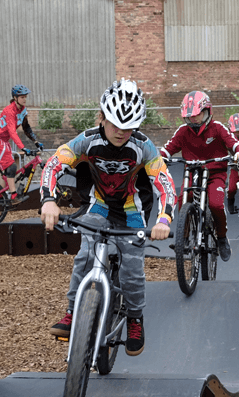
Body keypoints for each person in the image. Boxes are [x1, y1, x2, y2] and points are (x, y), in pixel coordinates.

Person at [40, 79, 175, 356]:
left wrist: (164, 220)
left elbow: (165, 183)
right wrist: (49, 200)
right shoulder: (87, 140)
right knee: (85, 254)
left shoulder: (144, 147)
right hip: (98, 205)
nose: (121, 131)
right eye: (115, 124)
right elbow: (54, 163)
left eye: (128, 127)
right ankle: (72, 311)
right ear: (102, 116)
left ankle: (135, 318)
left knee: (132, 270)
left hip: (132, 212)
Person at [159, 91, 239, 261]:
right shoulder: (183, 131)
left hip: (215, 173)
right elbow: (168, 148)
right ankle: (183, 237)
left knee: (215, 204)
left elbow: (234, 143)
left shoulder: (218, 128)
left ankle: (222, 238)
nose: (193, 119)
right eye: (190, 116)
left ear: (207, 111)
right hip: (192, 172)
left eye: (197, 115)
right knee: (183, 199)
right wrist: (160, 157)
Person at [0, 84, 44, 202]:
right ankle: (13, 195)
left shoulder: (23, 110)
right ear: (15, 98)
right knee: (12, 166)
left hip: (3, 140)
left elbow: (26, 127)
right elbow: (12, 132)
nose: (25, 99)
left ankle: (0, 196)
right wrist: (23, 148)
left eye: (25, 97)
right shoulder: (9, 111)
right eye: (22, 97)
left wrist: (36, 141)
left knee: (9, 169)